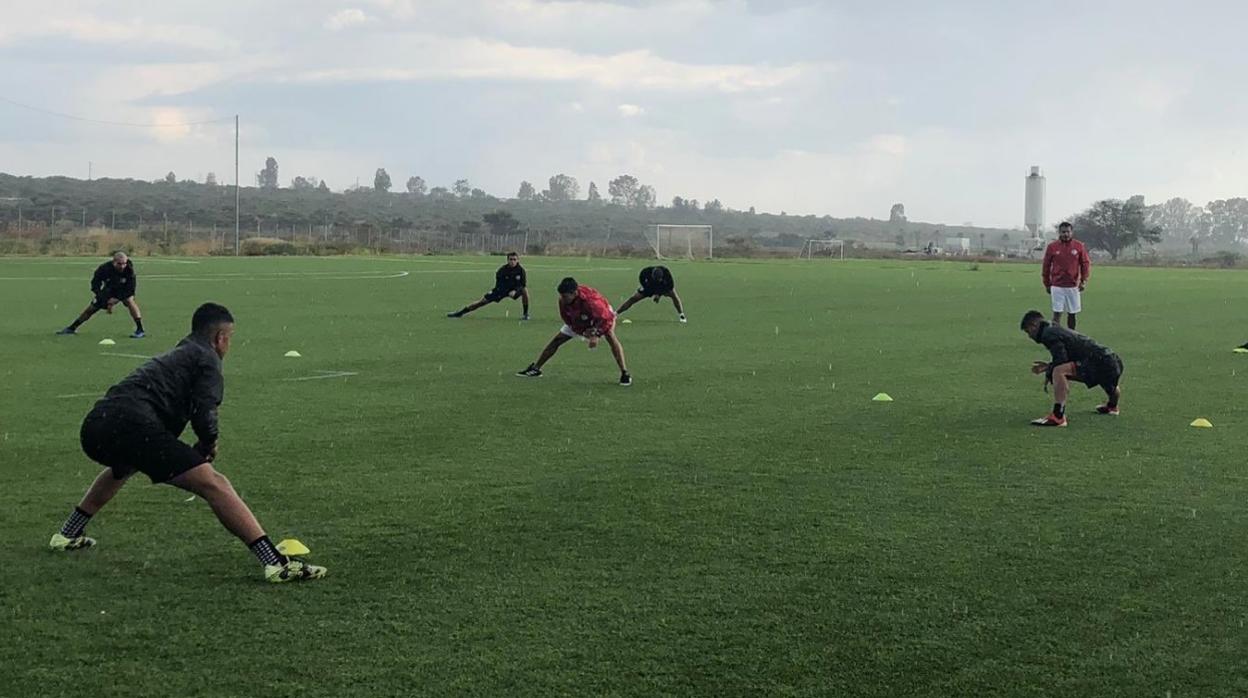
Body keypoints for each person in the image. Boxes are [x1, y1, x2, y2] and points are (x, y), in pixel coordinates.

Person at [49, 303, 326, 583]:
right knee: (215, 483)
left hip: (97, 425)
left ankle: (69, 532)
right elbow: (205, 409)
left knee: (125, 466)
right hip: (131, 425)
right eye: (229, 338)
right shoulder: (207, 359)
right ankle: (276, 563)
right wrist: (208, 443)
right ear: (220, 338)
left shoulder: (180, 353)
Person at [517, 277, 631, 386]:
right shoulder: (563, 300)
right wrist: (583, 332)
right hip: (578, 318)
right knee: (557, 340)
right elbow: (567, 320)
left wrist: (596, 334)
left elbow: (607, 319)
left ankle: (624, 372)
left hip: (601, 318)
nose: (563, 299)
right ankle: (536, 368)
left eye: (565, 296)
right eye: (561, 296)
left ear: (574, 293)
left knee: (610, 336)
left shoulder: (592, 302)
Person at [1020, 309, 1123, 427]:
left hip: (1099, 362)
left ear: (1034, 325)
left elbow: (1061, 360)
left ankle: (1058, 416)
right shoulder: (1054, 328)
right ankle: (1112, 406)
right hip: (1112, 361)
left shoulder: (1047, 334)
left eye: (1028, 332)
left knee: (1059, 371)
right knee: (1106, 380)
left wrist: (1049, 369)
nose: (1030, 336)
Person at [57, 251, 146, 338]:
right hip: (109, 289)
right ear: (113, 262)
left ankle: (140, 329)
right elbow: (95, 284)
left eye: (124, 263)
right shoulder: (104, 269)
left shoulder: (129, 269)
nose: (122, 266)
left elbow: (130, 289)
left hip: (123, 289)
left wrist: (117, 299)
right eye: (119, 264)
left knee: (129, 301)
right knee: (91, 308)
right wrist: (104, 299)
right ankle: (72, 328)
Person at [447, 252, 530, 319]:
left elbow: (522, 284)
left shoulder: (521, 270)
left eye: (514, 259)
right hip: (501, 290)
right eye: (510, 259)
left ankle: (525, 314)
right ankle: (460, 313)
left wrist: (515, 290)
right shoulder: (502, 270)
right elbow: (499, 285)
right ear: (507, 260)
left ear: (518, 260)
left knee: (525, 291)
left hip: (514, 290)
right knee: (481, 302)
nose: (512, 261)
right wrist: (506, 292)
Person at [1041, 222, 1091, 330]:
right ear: (1059, 233)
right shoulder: (1052, 247)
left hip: (1072, 286)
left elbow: (1085, 264)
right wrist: (1047, 283)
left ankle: (1072, 337)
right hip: (1057, 285)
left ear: (1071, 232)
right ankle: (1055, 336)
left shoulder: (1078, 246)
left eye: (1068, 232)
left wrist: (1083, 281)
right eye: (1063, 232)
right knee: (1057, 312)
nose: (1066, 234)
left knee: (1072, 313)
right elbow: (1046, 265)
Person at [616, 265, 687, 323]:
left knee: (674, 296)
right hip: (649, 287)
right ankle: (615, 314)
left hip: (663, 287)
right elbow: (643, 283)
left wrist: (659, 294)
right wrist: (651, 292)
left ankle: (681, 315)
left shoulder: (666, 273)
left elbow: (670, 286)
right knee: (634, 298)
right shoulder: (645, 272)